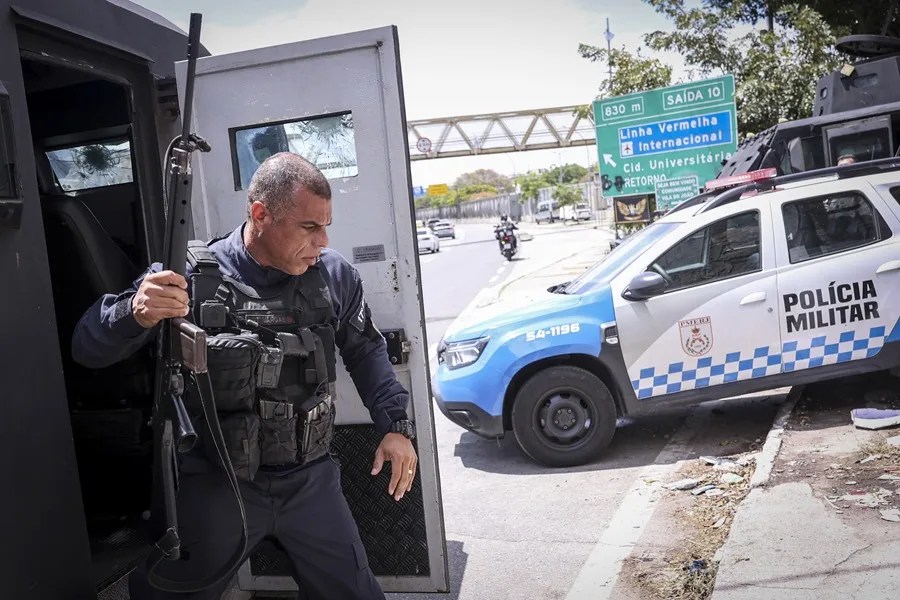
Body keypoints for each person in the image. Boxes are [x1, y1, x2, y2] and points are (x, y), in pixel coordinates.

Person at [71, 152, 418, 600]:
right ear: (261, 214)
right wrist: (132, 312)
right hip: (218, 480)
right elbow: (87, 347)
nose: (323, 240)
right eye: (310, 227)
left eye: (326, 225)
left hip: (309, 479)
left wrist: (396, 426)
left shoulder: (334, 275)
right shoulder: (187, 276)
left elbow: (367, 352)